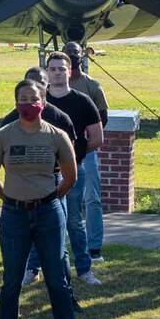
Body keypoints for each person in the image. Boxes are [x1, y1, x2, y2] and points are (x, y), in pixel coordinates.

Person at [0, 80, 83, 319]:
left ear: (44, 102)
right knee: (12, 280)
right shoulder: (3, 135)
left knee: (57, 279)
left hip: (49, 213)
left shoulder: (57, 135)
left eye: (34, 98)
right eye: (23, 99)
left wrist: (48, 198)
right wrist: (10, 198)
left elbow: (70, 176)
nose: (28, 104)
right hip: (13, 216)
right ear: (16, 103)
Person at [23, 52, 102, 286]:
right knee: (40, 222)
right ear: (47, 72)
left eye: (61, 68)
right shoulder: (39, 103)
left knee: (74, 222)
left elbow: (96, 137)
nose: (57, 72)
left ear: (70, 71)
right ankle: (32, 268)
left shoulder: (82, 101)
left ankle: (84, 269)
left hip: (73, 171)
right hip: (42, 174)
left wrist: (72, 159)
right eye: (52, 68)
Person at [63, 42, 109, 262]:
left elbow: (102, 118)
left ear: (83, 56)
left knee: (92, 198)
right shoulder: (53, 86)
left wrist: (84, 147)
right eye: (68, 53)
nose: (72, 56)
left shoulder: (92, 86)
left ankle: (94, 247)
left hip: (86, 152)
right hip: (58, 154)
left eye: (75, 53)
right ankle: (56, 247)